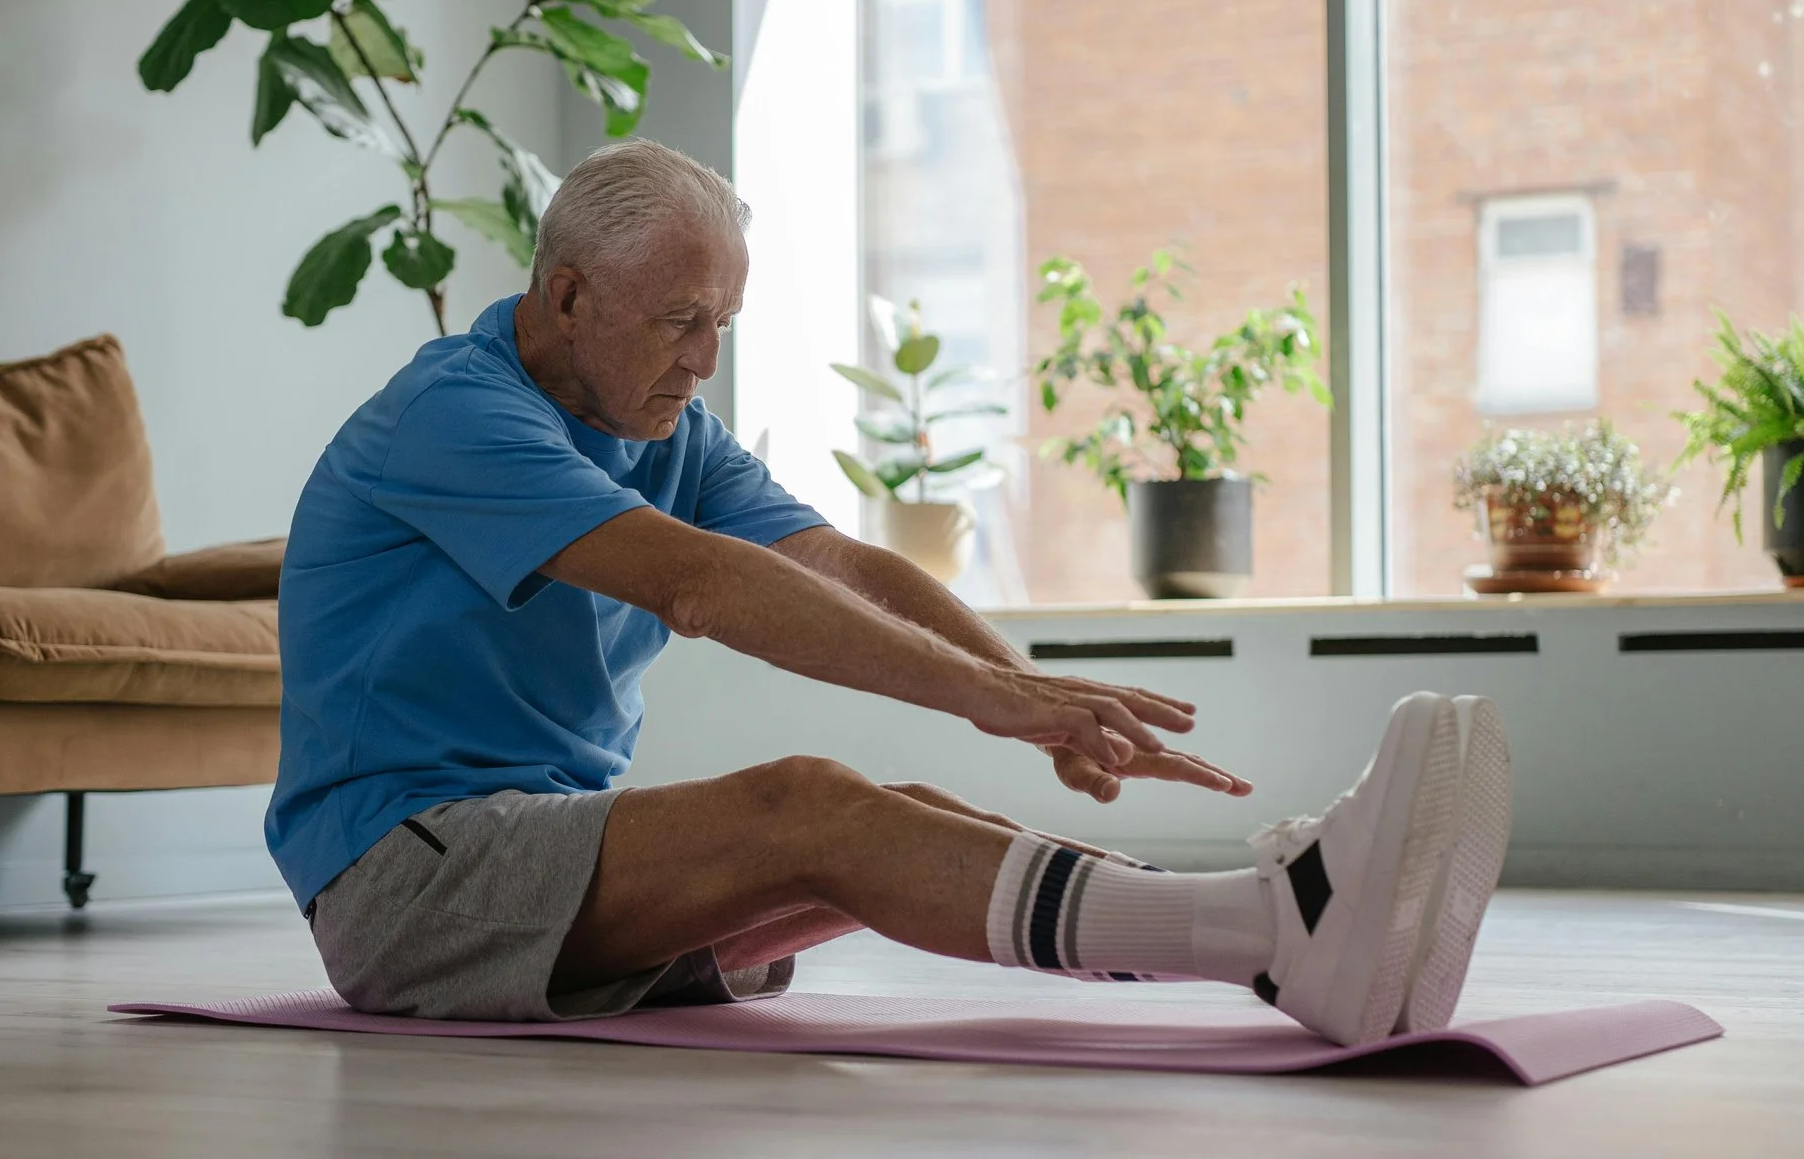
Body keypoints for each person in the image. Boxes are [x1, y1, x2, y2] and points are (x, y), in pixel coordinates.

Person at [268, 139, 1512, 1046]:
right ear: (567, 295)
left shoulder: (658, 420)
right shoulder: (454, 414)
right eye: (680, 320)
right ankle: (1282, 924)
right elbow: (702, 582)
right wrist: (989, 695)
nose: (703, 360)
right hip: (406, 879)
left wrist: (1023, 691)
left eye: (725, 324)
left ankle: (1275, 938)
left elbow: (836, 561)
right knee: (808, 805)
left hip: (530, 860)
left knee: (886, 814)